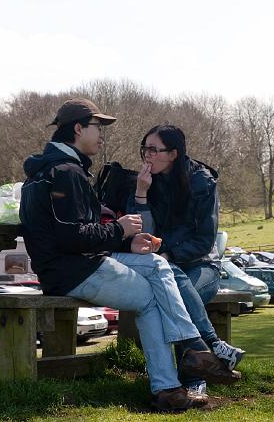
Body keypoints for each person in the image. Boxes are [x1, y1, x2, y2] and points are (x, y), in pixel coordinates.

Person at [19, 99, 239, 412]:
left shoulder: (56, 169)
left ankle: (191, 352)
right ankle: (174, 378)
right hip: (74, 271)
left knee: (159, 266)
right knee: (153, 298)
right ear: (78, 128)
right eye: (97, 128)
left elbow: (76, 232)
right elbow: (72, 237)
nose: (102, 136)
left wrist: (126, 243)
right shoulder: (65, 173)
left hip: (76, 264)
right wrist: (119, 231)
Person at [128, 124, 245, 397]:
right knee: (169, 290)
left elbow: (205, 240)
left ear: (174, 154)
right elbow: (140, 231)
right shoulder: (146, 180)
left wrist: (170, 255)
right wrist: (141, 193)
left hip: (201, 264)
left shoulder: (202, 182)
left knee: (177, 295)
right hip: (161, 266)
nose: (148, 155)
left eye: (155, 150)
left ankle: (193, 380)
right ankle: (212, 349)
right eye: (145, 148)